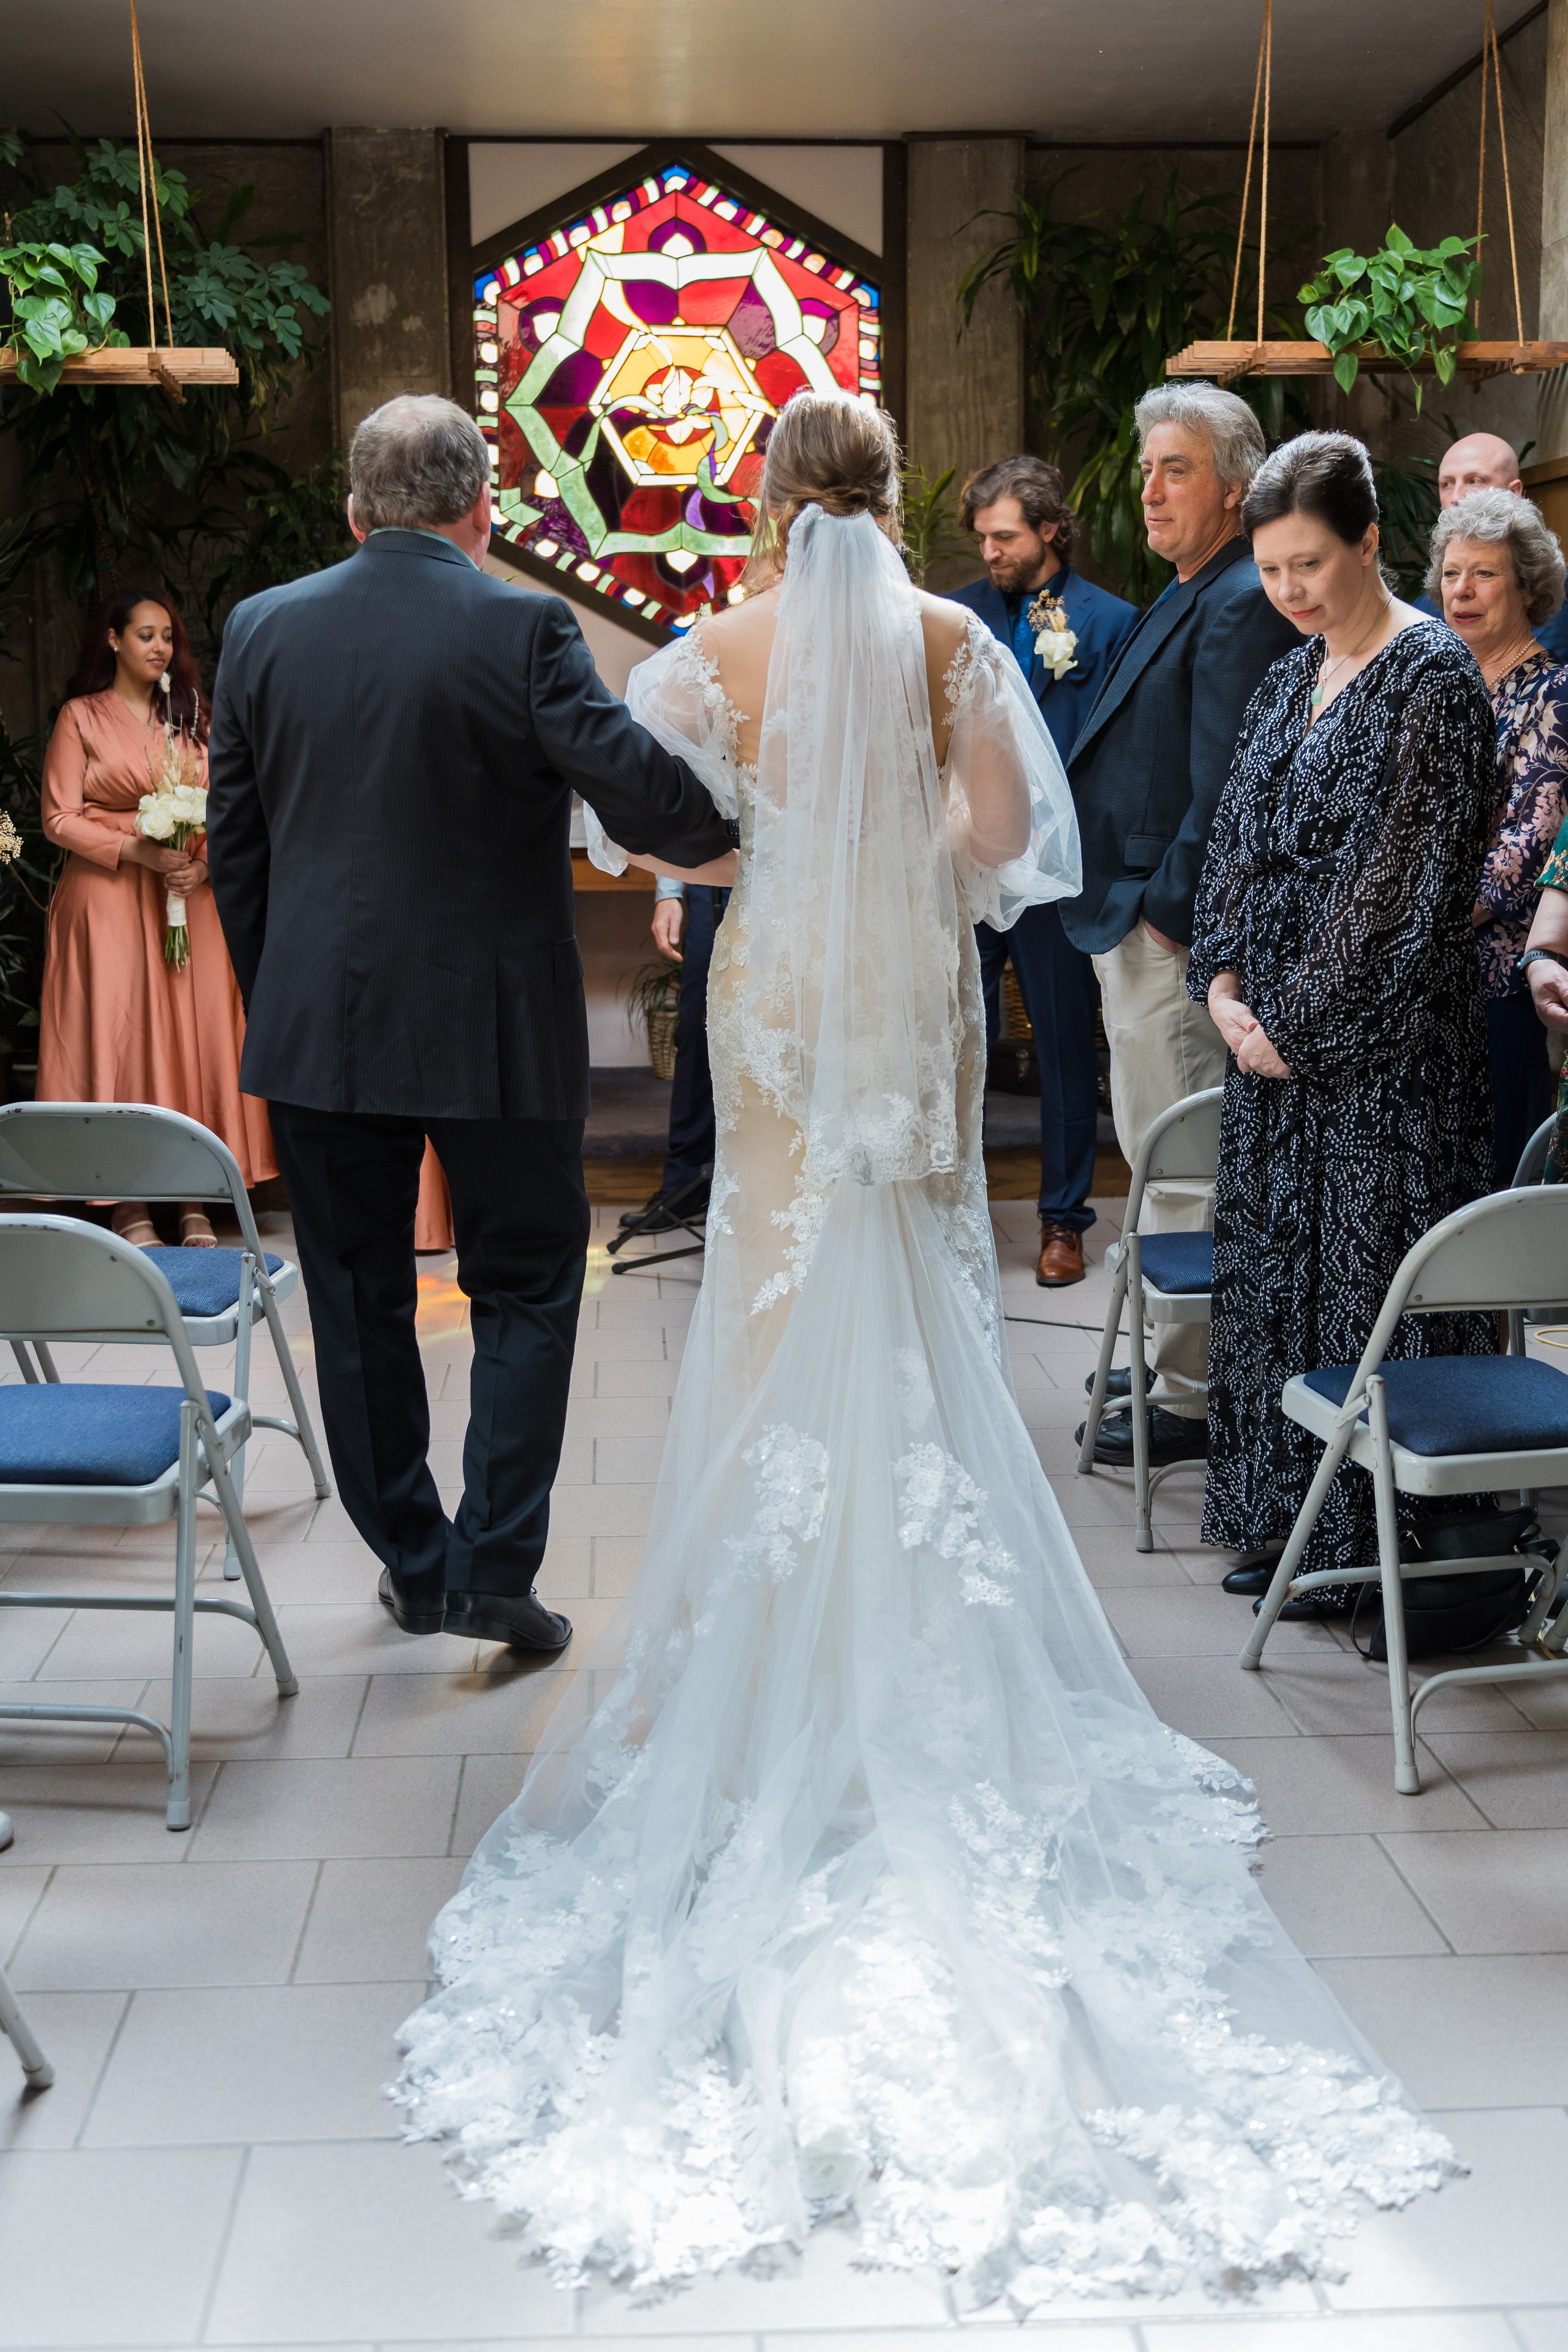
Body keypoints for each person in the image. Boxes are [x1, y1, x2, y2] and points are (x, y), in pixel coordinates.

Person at [394, 390, 1453, 2307]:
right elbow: (1000, 834)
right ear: (889, 500)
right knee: (913, 1264)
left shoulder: (713, 646)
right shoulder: (958, 637)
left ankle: (778, 1634)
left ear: (769, 501)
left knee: (781, 1283)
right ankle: (919, 1613)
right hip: (904, 995)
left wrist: (771, 863)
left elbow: (660, 829)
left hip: (779, 988)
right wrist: (906, 876)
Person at [206, 394, 736, 1655]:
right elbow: (634, 786)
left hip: (321, 1028)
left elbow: (236, 844)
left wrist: (281, 987)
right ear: (481, 510)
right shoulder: (521, 624)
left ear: (353, 510)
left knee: (354, 1295)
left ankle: (417, 1562)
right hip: (494, 1029)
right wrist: (733, 820)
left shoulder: (260, 628)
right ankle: (497, 1567)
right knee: (527, 1281)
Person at [1189, 432, 1497, 1608]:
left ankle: (1384, 1554)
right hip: (1268, 1049)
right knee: (1283, 1285)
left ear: (1373, 542)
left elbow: (1403, 893)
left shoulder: (1434, 680)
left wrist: (1296, 1027)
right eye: (1271, 569)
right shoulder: (1290, 671)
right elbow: (1234, 844)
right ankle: (1298, 1524)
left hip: (1382, 1066)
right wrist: (1221, 985)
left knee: (1363, 1290)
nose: (1290, 591)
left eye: (1310, 563)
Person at [1065, 385, 1298, 1464]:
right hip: (1136, 922)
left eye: (1176, 469)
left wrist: (1167, 917)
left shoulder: (1243, 595)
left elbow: (1229, 788)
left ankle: (1196, 1395)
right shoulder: (1188, 588)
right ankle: (1174, 1356)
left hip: (1173, 936)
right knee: (1153, 1157)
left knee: (1187, 1169)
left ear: (1237, 488)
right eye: (1146, 467)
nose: (1150, 490)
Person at [38, 588, 276, 1246]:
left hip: (191, 896)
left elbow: (231, 801)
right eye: (145, 635)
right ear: (113, 640)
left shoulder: (192, 717)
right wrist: (137, 851)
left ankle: (195, 1196)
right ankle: (125, 1201)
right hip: (110, 897)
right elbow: (57, 818)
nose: (160, 647)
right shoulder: (79, 717)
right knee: (123, 1036)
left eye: (167, 636)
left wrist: (204, 864)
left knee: (193, 1040)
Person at [950, 456, 1137, 1285]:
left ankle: (1065, 1221)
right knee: (961, 1038)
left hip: (1056, 871)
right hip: (966, 861)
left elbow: (1122, 754)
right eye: (983, 538)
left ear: (1051, 530)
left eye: (1005, 536)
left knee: (1064, 1047)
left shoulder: (1109, 623)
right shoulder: (949, 619)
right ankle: (958, 1214)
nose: (990, 552)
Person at [1431, 488, 1568, 1184]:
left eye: (1483, 573)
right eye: (1452, 573)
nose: (1462, 589)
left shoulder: (1554, 693)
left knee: (1488, 1185)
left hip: (1492, 987)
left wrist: (1417, 925)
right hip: (1420, 981)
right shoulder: (1439, 689)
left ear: (1526, 585)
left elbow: (1525, 850)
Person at [616, 870, 729, 1237]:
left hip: (796, 869)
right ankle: (685, 1187)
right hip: (710, 875)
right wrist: (669, 891)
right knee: (697, 1028)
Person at [1416, 431, 1568, 663]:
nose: (1456, 497)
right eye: (1447, 484)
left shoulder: (1555, 597)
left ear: (1515, 493)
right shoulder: (1422, 608)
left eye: (1474, 481)